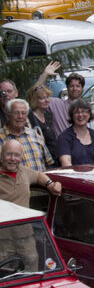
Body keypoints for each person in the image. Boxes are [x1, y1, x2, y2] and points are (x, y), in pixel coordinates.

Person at [0, 140, 62, 271]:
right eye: (8, 154)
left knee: (32, 272)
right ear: (1, 155)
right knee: (5, 277)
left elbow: (39, 175)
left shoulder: (24, 172)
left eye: (16, 155)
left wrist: (50, 184)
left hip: (26, 236)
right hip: (3, 240)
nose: (12, 159)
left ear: (21, 157)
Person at [0, 99, 54, 171]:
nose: (20, 116)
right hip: (13, 182)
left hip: (41, 181)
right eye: (16, 113)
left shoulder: (35, 135)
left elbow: (48, 163)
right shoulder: (1, 137)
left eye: (23, 113)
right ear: (7, 115)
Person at [33, 62, 85, 136]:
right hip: (60, 145)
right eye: (71, 86)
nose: (74, 89)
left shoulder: (86, 109)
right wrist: (45, 74)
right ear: (67, 88)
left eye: (78, 86)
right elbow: (35, 93)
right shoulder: (56, 103)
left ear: (82, 88)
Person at [56, 99, 94, 166]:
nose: (80, 115)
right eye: (76, 112)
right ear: (72, 116)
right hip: (75, 176)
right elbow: (66, 164)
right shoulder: (64, 137)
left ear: (89, 114)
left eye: (83, 112)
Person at [25, 84, 58, 160]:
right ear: (34, 100)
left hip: (54, 159)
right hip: (42, 161)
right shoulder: (30, 118)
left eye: (47, 97)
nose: (46, 100)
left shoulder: (47, 116)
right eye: (42, 98)